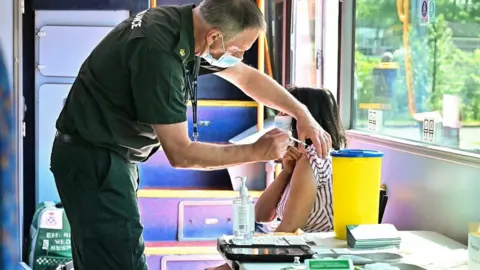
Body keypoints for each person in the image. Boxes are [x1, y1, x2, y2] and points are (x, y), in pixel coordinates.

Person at [50, 1, 332, 269]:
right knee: (120, 261)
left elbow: (246, 77)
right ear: (213, 37)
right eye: (238, 49)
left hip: (104, 157)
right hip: (95, 160)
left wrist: (301, 113)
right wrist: (256, 152)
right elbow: (181, 153)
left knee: (104, 259)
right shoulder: (160, 53)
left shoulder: (183, 26)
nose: (239, 57)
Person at [207, 86, 346, 270]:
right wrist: (286, 172)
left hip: (316, 258)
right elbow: (261, 215)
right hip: (299, 252)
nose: (279, 118)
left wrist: (236, 263)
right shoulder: (298, 160)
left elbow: (288, 229)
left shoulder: (313, 159)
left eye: (284, 112)